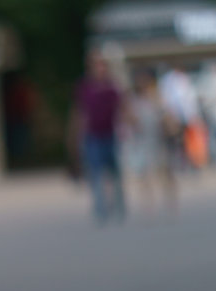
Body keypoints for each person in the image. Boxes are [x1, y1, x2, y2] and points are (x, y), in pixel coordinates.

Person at [73, 51, 126, 224]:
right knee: (96, 174)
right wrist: (77, 135)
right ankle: (100, 210)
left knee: (115, 173)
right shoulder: (85, 88)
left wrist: (126, 127)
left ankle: (119, 208)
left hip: (110, 134)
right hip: (92, 136)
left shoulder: (112, 87)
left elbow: (123, 108)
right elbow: (80, 113)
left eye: (102, 66)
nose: (100, 69)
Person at [128, 70, 179, 217]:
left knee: (165, 173)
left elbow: (169, 119)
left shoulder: (158, 98)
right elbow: (130, 121)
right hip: (143, 141)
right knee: (144, 175)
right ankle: (148, 207)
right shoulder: (135, 101)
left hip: (159, 140)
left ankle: (170, 204)